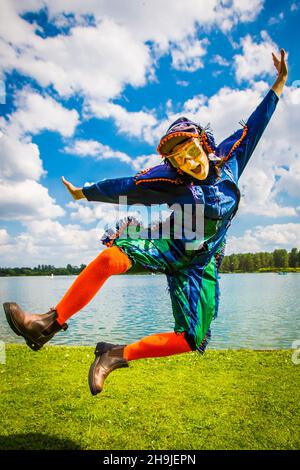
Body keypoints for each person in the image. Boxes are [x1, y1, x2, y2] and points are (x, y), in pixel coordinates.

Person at [3, 49, 288, 396]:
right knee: (111, 257)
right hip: (168, 243)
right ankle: (47, 323)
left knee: (191, 339)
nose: (190, 162)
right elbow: (125, 186)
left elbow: (256, 123)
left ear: (203, 144)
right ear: (175, 165)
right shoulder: (169, 183)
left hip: (201, 264)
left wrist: (280, 82)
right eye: (181, 160)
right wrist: (85, 193)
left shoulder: (230, 160)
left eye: (193, 152)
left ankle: (114, 355)